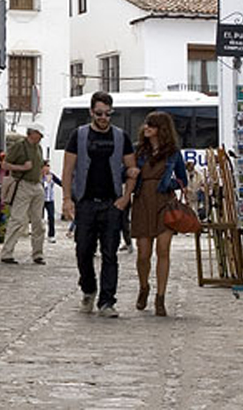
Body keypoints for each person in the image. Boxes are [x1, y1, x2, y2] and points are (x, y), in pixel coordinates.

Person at [61, 92, 138, 317]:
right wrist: (67, 199)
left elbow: (132, 170)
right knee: (83, 250)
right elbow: (68, 170)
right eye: (99, 113)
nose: (103, 117)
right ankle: (88, 288)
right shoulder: (79, 135)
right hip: (85, 202)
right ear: (91, 112)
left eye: (107, 113)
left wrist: (125, 199)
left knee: (110, 253)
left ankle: (107, 301)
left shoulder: (120, 137)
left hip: (111, 203)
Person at [130, 111, 189, 317]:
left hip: (164, 202)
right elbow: (125, 172)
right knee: (143, 253)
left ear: (161, 129)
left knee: (163, 250)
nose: (146, 128)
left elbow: (183, 179)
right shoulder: (138, 151)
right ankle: (144, 286)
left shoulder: (173, 152)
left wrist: (166, 184)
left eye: (151, 125)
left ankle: (160, 297)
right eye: (146, 124)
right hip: (142, 201)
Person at [0, 125, 47, 265]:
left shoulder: (38, 148)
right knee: (17, 219)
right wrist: (22, 168)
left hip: (37, 185)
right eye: (39, 134)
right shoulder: (18, 146)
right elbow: (5, 165)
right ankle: (7, 253)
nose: (41, 137)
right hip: (23, 185)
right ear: (32, 133)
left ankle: (38, 254)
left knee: (38, 222)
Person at [39, 162, 62, 242]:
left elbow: (60, 183)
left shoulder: (51, 176)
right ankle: (39, 235)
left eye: (48, 166)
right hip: (40, 199)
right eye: (45, 166)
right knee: (39, 218)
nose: (47, 168)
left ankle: (51, 235)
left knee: (51, 217)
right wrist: (45, 181)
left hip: (50, 200)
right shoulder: (38, 176)